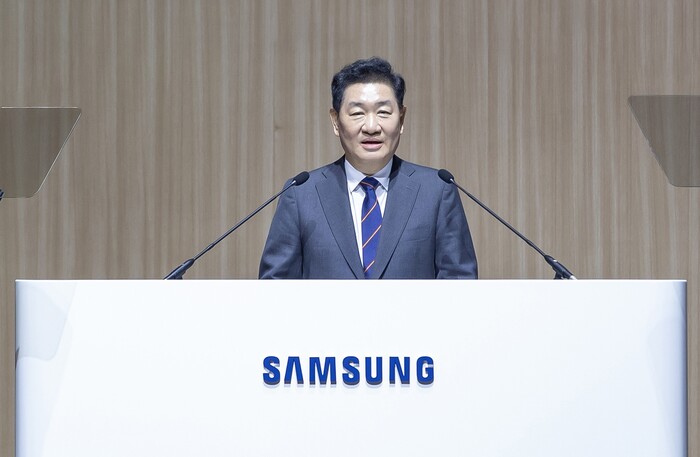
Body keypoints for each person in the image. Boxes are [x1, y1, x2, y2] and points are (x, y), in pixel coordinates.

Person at [259, 57, 477, 279]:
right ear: (335, 121)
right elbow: (275, 286)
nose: (371, 127)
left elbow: (460, 282)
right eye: (357, 113)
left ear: (401, 119)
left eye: (383, 112)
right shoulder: (301, 195)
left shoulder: (436, 191)